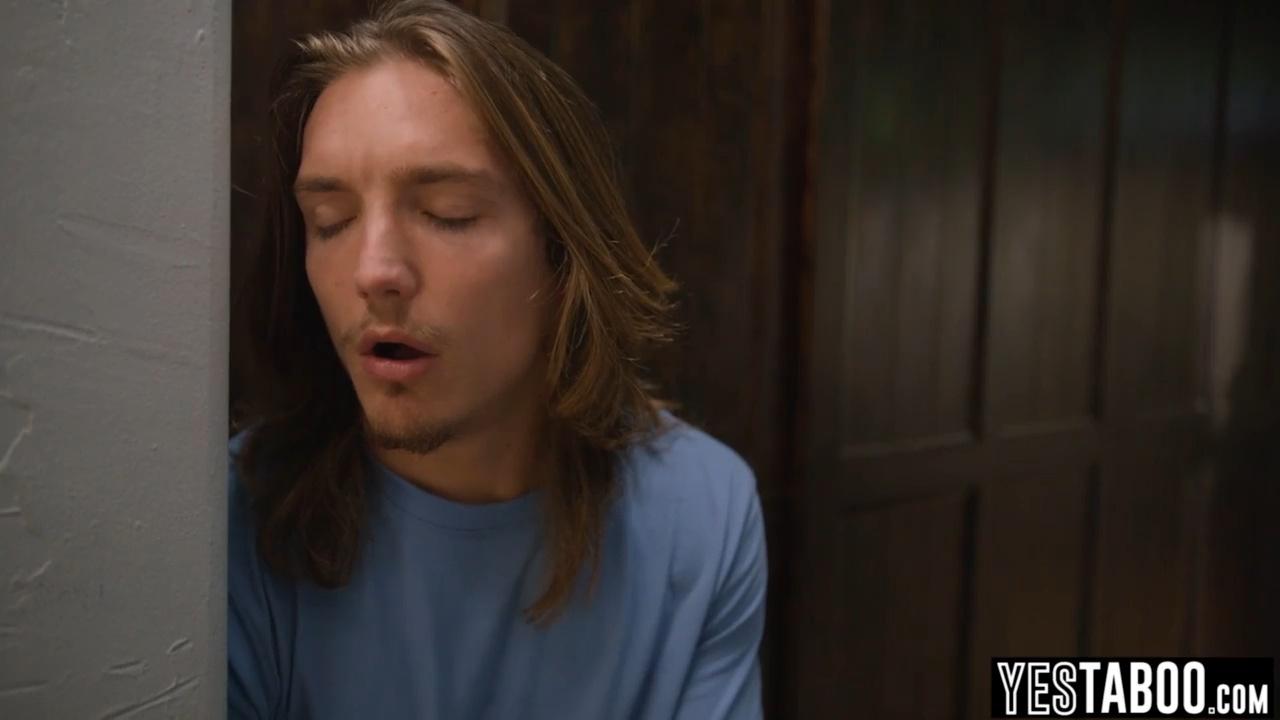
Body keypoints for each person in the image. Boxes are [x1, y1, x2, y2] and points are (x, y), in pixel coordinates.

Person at [227, 1, 767, 718]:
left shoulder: (702, 510)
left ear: (563, 253)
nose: (373, 270)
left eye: (447, 212)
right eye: (332, 222)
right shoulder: (231, 519)